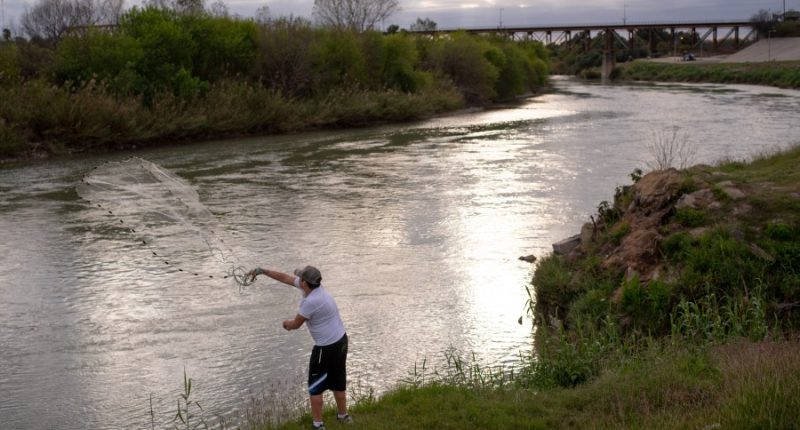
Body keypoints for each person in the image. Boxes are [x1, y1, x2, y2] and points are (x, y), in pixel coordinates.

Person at [247, 265, 351, 430]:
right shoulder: (316, 289)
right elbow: (285, 278)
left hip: (325, 348)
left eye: (300, 278)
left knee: (315, 387)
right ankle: (343, 416)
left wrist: (285, 324)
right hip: (341, 341)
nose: (297, 279)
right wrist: (263, 271)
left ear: (304, 282)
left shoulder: (311, 302)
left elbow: (295, 324)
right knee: (338, 380)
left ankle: (318, 424)